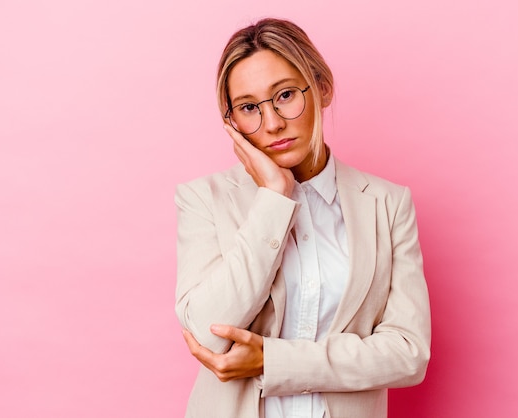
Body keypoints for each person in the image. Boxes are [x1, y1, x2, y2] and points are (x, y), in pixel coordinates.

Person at [175, 17, 431, 418]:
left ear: (322, 88)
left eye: (286, 95)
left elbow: (408, 353)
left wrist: (274, 362)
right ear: (233, 124)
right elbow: (210, 329)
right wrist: (275, 199)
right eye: (248, 108)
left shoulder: (387, 204)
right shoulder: (203, 199)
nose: (273, 123)